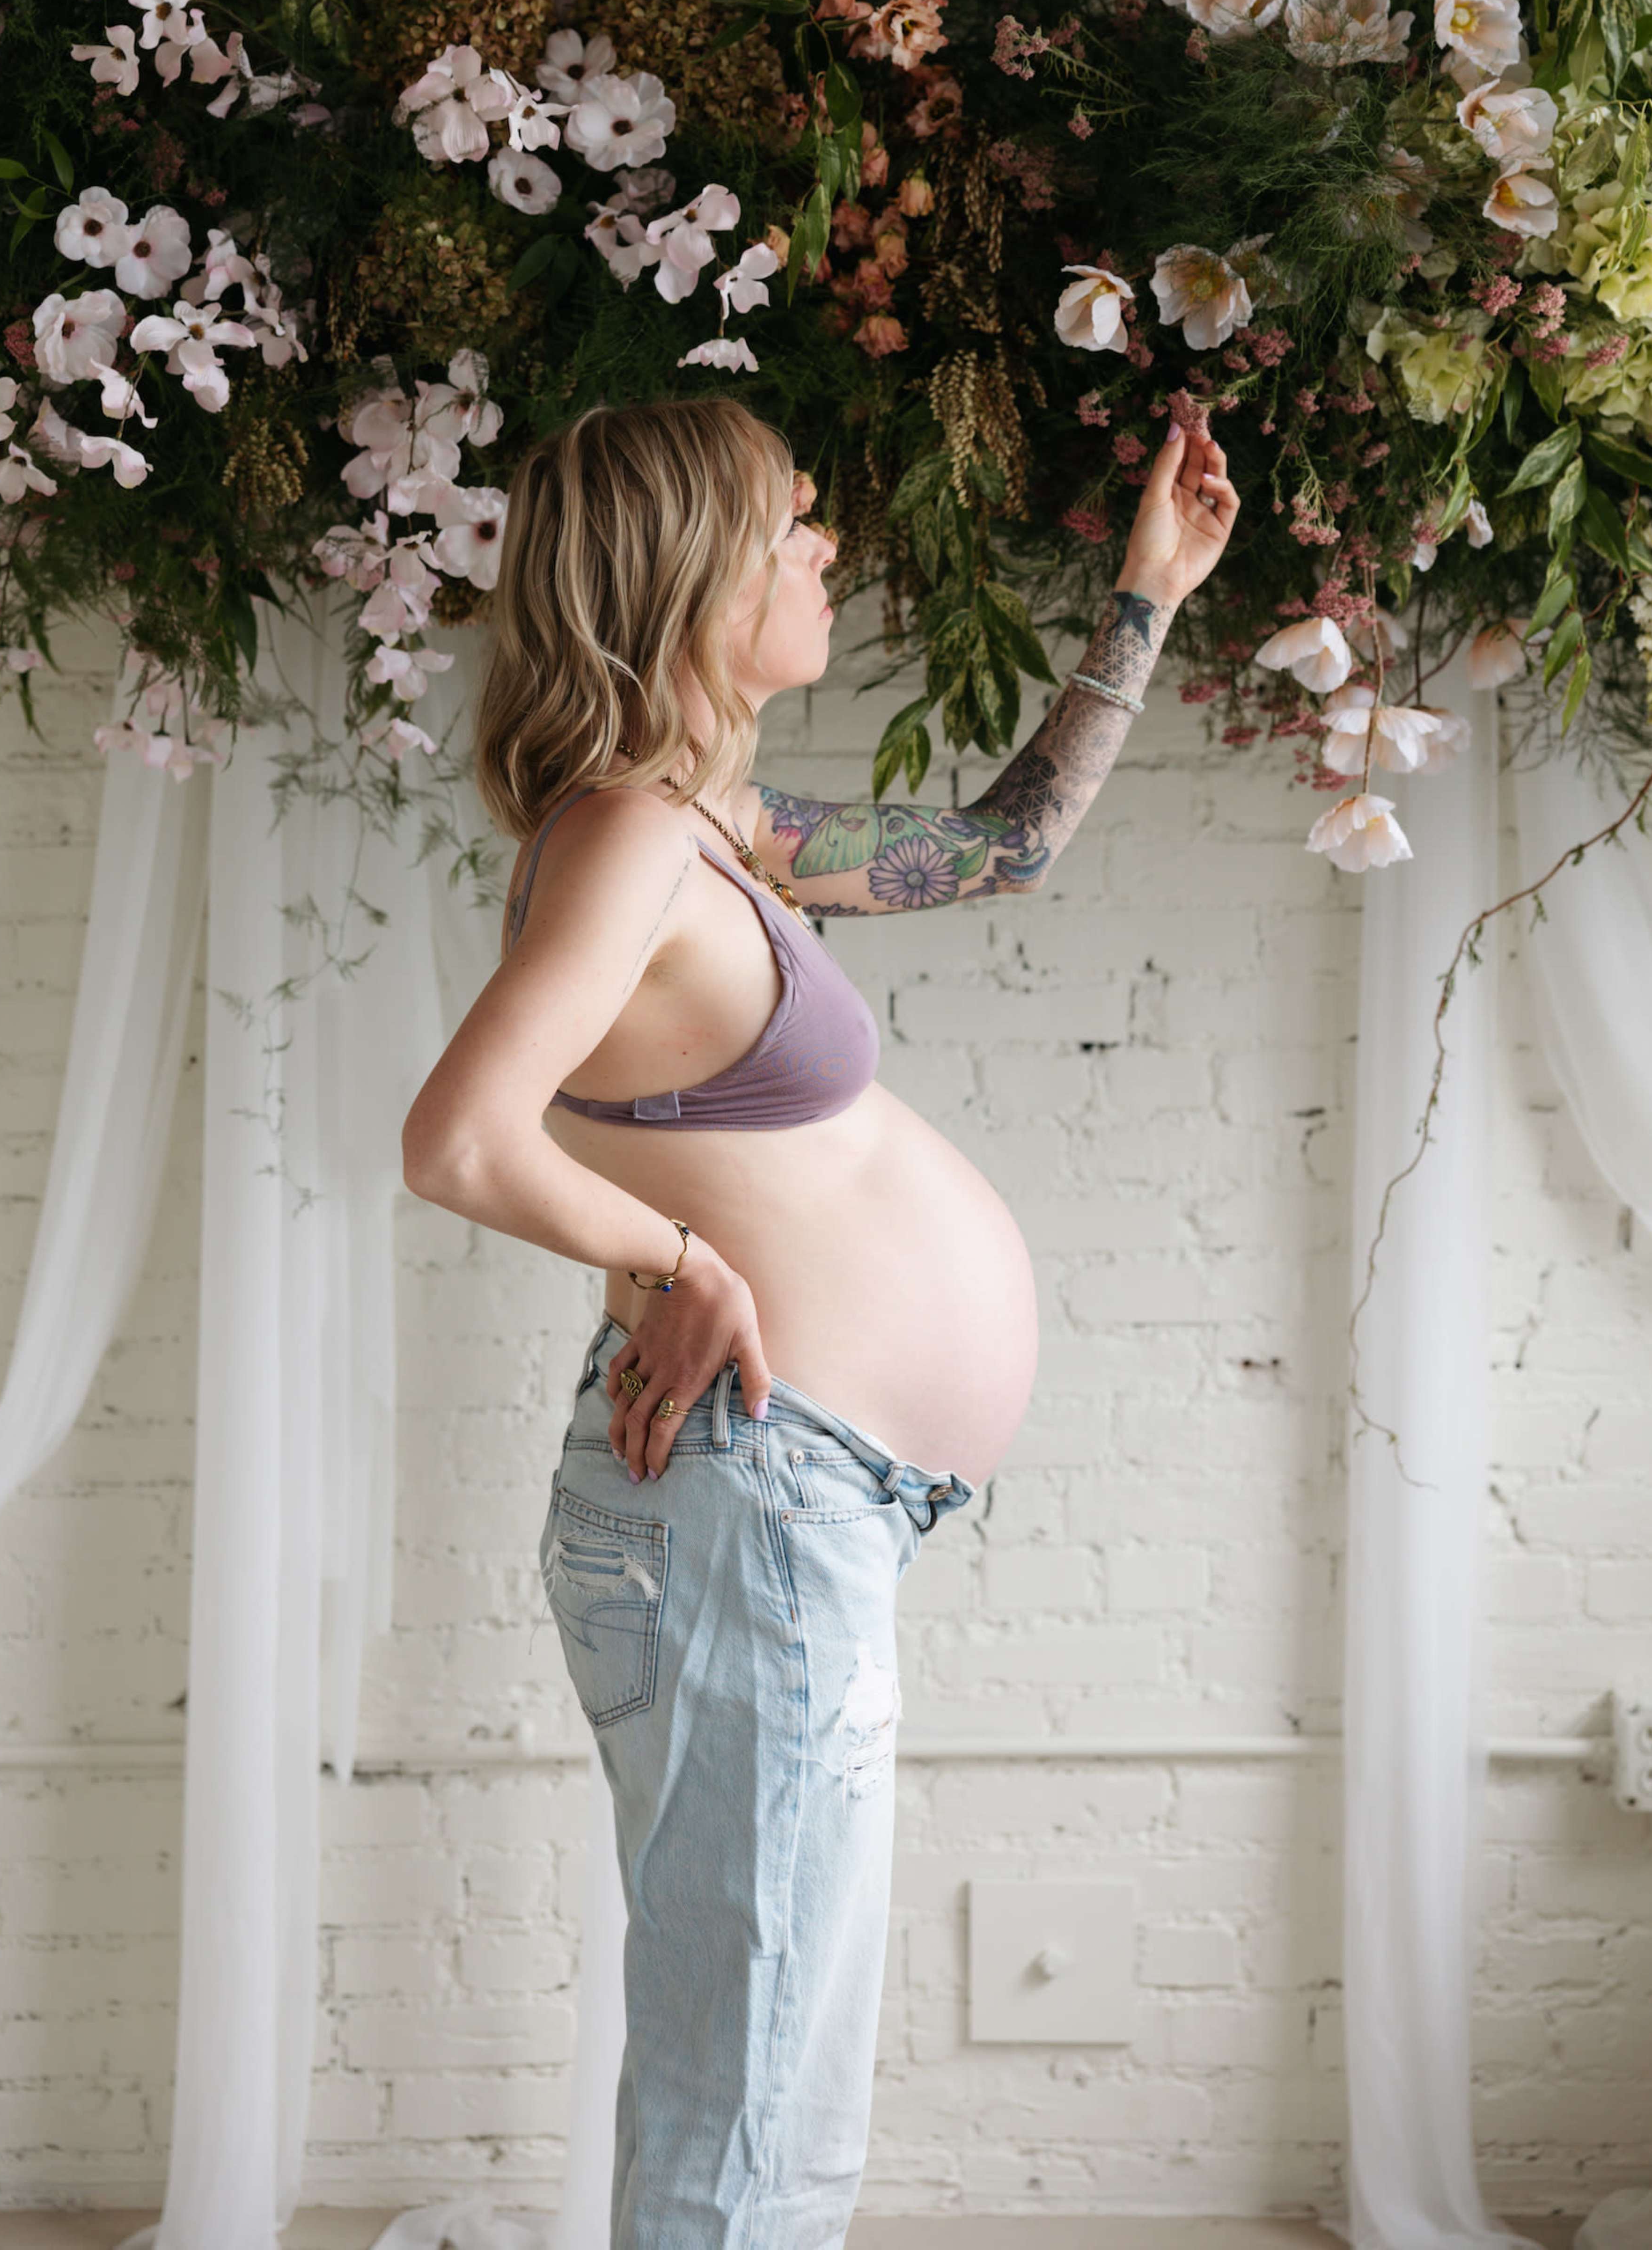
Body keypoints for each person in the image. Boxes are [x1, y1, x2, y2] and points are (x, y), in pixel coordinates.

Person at [402, 394, 1237, 2246]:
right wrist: (682, 1263)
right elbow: (459, 1138)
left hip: (782, 1512)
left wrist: (1146, 600)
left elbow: (1003, 848)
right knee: (758, 2077)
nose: (829, 549)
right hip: (747, 1514)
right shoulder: (627, 838)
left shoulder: (709, 830)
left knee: (765, 2057)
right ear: (696, 577)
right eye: (794, 524)